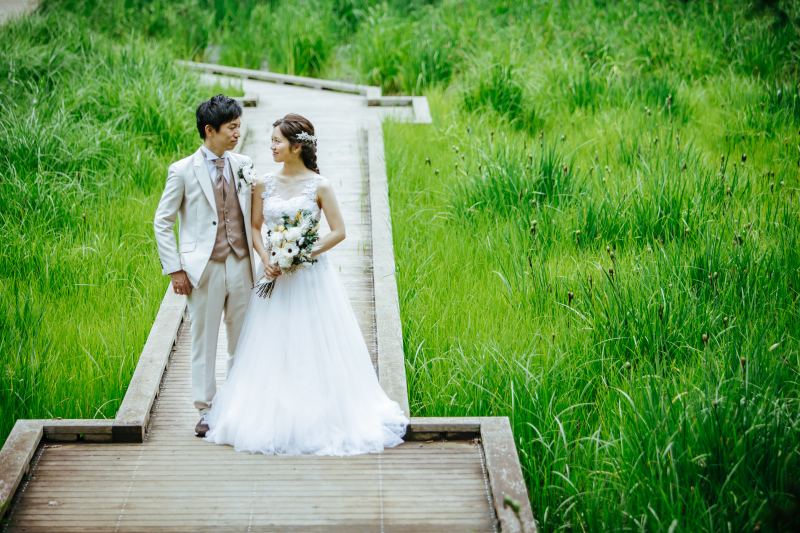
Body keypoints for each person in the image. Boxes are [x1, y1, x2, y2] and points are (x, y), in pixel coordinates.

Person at [203, 113, 408, 456]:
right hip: (273, 276)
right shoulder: (262, 184)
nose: (271, 147)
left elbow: (339, 231)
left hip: (311, 276)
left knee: (313, 340)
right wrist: (269, 258)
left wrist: (301, 253)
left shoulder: (320, 185)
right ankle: (272, 413)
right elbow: (254, 228)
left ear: (297, 147)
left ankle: (319, 413)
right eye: (270, 141)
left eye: (277, 142)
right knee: (272, 342)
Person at [153, 95, 257, 437]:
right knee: (204, 340)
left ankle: (240, 402)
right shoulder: (182, 170)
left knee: (242, 340)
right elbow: (162, 221)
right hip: (204, 268)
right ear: (210, 130)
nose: (237, 133)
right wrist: (175, 269)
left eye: (239, 126)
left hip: (241, 264)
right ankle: (206, 409)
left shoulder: (243, 164)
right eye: (231, 127)